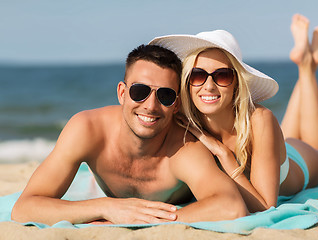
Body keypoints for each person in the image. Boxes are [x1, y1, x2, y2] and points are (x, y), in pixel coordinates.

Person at [11, 44, 248, 225]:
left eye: (165, 96)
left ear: (176, 105)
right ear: (122, 93)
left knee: (287, 145)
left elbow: (231, 206)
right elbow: (24, 208)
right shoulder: (88, 129)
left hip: (255, 159)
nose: (151, 106)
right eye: (140, 91)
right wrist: (106, 207)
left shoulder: (184, 148)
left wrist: (143, 220)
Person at [149, 14, 318, 213]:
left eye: (222, 75)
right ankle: (307, 62)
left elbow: (266, 206)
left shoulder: (260, 119)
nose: (208, 86)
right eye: (198, 75)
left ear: (236, 82)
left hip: (300, 163)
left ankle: (307, 67)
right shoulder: (184, 121)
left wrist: (223, 154)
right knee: (282, 134)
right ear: (187, 82)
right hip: (271, 148)